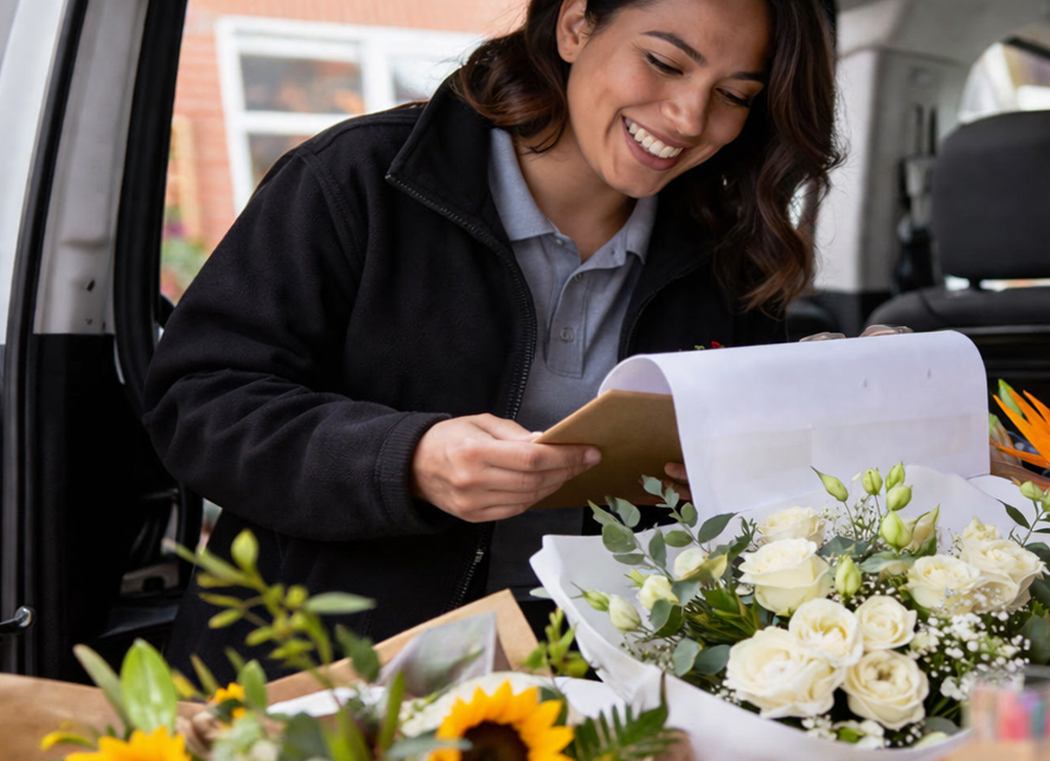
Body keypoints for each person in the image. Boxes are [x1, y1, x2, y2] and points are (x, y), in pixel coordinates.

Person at [142, 0, 839, 679]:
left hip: (593, 685)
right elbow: (198, 404)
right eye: (662, 62)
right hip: (323, 675)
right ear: (574, 24)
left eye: (735, 95)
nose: (690, 117)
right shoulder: (354, 181)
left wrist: (743, 461)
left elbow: (749, 500)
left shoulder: (732, 256)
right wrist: (407, 460)